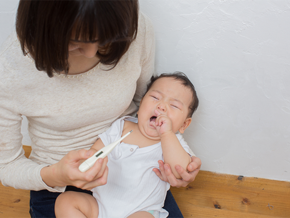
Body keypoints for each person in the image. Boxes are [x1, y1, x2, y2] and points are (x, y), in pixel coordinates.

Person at [0, 0, 201, 218]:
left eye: (105, 41)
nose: (91, 53)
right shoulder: (10, 72)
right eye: (76, 42)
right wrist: (57, 175)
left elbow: (143, 104)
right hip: (58, 181)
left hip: (134, 187)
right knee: (66, 203)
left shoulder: (134, 29)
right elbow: (7, 166)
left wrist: (179, 168)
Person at [55, 72, 199, 218]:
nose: (161, 106)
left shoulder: (175, 143)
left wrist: (167, 133)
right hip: (99, 206)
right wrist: (89, 164)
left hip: (141, 211)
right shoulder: (122, 126)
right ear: (141, 102)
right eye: (155, 97)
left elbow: (178, 171)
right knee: (65, 201)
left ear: (184, 124)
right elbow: (96, 150)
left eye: (174, 105)